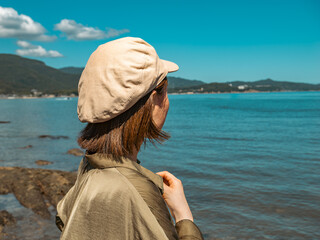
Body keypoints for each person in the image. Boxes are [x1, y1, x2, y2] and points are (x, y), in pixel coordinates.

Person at [55, 37, 203, 240]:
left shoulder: (90, 164)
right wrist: (183, 216)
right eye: (165, 92)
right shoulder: (137, 192)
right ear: (152, 101)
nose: (167, 102)